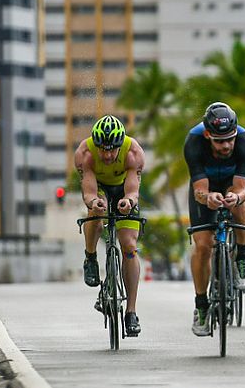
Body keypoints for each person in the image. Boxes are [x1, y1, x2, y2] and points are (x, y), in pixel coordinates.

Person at [184, 102, 245, 337]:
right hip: (205, 187)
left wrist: (235, 197)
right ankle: (201, 306)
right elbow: (199, 191)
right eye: (219, 140)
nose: (226, 145)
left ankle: (242, 261)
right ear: (207, 135)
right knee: (203, 246)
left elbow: (243, 188)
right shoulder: (194, 142)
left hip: (231, 184)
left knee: (240, 203)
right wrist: (208, 198)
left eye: (230, 139)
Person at [75, 115, 145, 336]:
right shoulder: (85, 154)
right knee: (95, 213)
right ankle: (91, 257)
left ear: (119, 144)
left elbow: (133, 190)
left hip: (124, 190)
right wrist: (94, 202)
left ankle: (131, 312)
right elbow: (89, 192)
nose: (106, 155)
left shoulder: (133, 152)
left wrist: (129, 202)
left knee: (129, 247)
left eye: (111, 150)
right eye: (102, 149)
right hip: (100, 188)